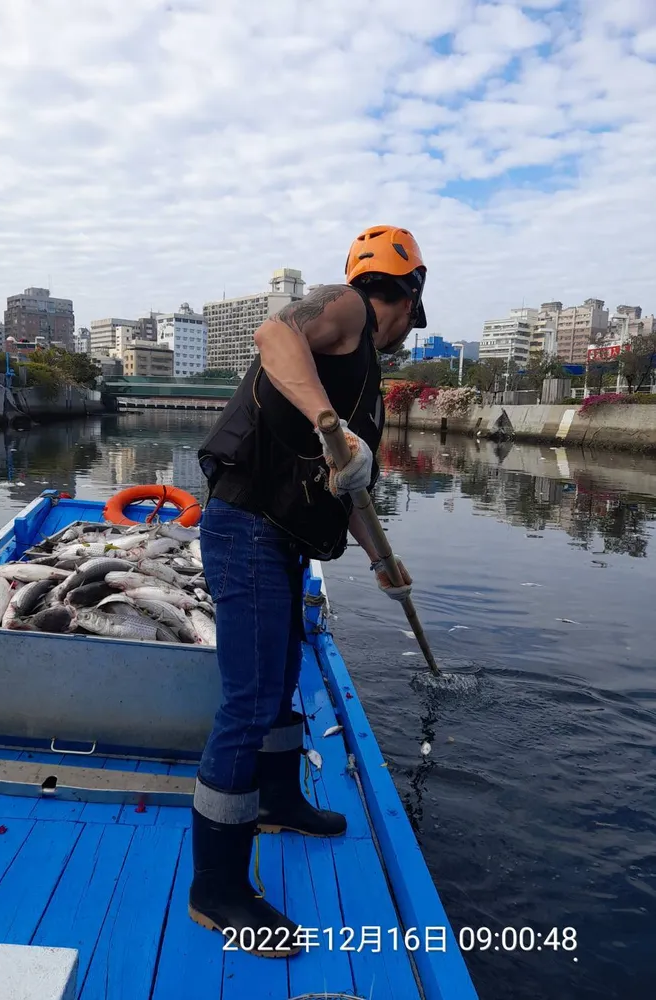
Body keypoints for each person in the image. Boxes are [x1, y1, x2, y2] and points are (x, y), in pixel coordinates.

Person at [189, 224, 428, 957]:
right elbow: (271, 332)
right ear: (403, 294)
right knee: (248, 701)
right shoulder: (348, 310)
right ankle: (218, 889)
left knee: (283, 675)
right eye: (409, 322)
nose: (401, 338)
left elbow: (346, 488)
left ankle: (280, 801)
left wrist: (383, 560)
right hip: (249, 528)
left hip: (283, 539)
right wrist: (329, 424)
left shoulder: (361, 377)